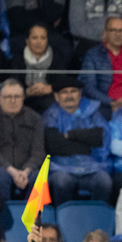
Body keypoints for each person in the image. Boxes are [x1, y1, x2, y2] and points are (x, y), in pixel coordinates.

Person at [42, 77, 111, 205]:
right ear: (56, 96)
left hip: (93, 166)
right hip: (60, 167)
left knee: (104, 181)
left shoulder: (93, 112)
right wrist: (86, 142)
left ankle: (96, 221)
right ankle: (62, 220)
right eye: (64, 92)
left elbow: (101, 138)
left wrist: (69, 136)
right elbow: (52, 145)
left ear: (80, 94)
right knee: (61, 182)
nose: (69, 96)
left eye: (73, 91)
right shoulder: (51, 114)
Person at [0, 79, 44, 199]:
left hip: (28, 170)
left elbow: (39, 152)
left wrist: (26, 171)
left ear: (23, 98)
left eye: (17, 96)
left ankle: (32, 216)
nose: (13, 101)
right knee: (1, 177)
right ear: (0, 98)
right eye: (8, 97)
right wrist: (12, 171)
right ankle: (4, 215)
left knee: (39, 177)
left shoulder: (35, 118)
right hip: (0, 169)